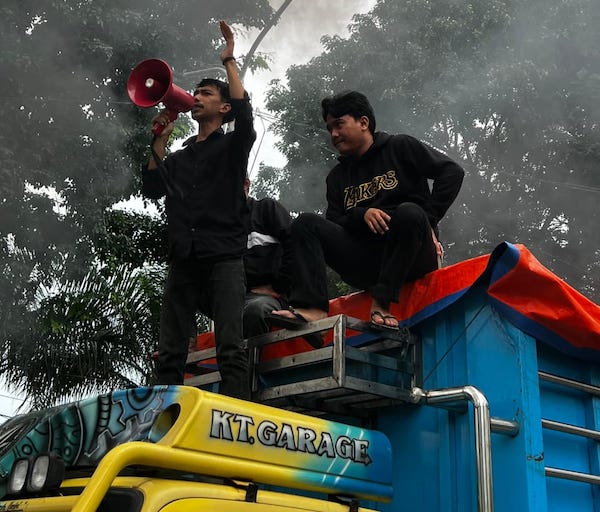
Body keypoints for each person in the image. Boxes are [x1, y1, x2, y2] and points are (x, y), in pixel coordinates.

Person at [271, 90, 464, 330]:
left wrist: (428, 220)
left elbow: (452, 172)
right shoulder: (337, 177)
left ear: (363, 122)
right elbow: (334, 220)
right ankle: (311, 308)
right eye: (330, 128)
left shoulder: (400, 146)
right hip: (367, 262)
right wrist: (362, 214)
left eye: (339, 125)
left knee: (409, 212)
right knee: (306, 223)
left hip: (412, 255)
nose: (334, 134)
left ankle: (382, 303)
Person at [142, 20, 255, 399]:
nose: (195, 97)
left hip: (224, 254)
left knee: (229, 345)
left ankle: (236, 412)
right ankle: (161, 419)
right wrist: (159, 140)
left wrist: (229, 61)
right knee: (171, 350)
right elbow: (153, 186)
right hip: (184, 256)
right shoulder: (182, 155)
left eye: (204, 94)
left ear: (223, 108)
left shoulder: (233, 145)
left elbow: (245, 112)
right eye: (195, 92)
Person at [243, 178, 324, 348]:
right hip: (236, 297)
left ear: (245, 184)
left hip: (271, 296)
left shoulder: (266, 209)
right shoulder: (222, 228)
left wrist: (278, 287)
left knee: (255, 310)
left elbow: (294, 247)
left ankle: (250, 373)